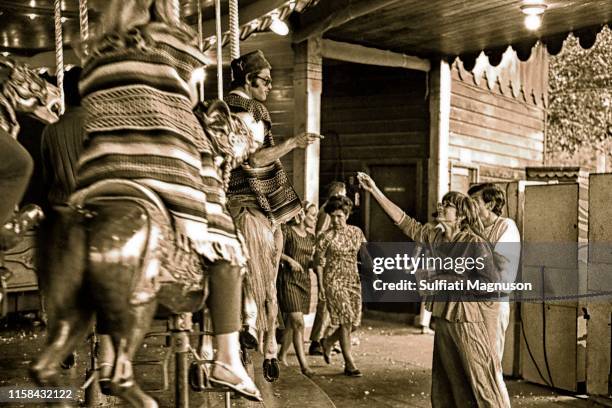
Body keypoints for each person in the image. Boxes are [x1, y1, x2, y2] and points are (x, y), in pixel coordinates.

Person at [75, 0, 260, 400]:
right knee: (225, 242)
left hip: (101, 179)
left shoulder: (96, 53)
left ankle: (108, 355)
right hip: (161, 170)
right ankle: (227, 357)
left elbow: (102, 118)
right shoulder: (170, 42)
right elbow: (181, 109)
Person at [358, 172, 510, 407]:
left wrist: (447, 279)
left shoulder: (473, 243)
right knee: (447, 380)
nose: (441, 207)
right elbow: (404, 221)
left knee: (479, 379)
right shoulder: (434, 236)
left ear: (460, 216)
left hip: (466, 319)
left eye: (447, 205)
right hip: (443, 317)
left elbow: (490, 285)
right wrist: (374, 190)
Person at [225, 49, 321, 382]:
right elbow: (256, 159)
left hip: (252, 205)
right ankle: (250, 330)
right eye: (264, 81)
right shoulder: (249, 109)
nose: (268, 86)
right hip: (247, 201)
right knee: (258, 275)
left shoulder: (226, 108)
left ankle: (259, 342)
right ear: (248, 80)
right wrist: (294, 142)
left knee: (261, 276)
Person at [468, 183, 521, 402]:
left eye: (475, 202)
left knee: (491, 364)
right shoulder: (470, 228)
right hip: (472, 301)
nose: (469, 207)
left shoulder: (506, 226)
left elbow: (501, 264)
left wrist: (477, 234)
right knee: (472, 364)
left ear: (490, 204)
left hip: (494, 303)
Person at [315, 195, 366, 377]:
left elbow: (367, 255)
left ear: (347, 215)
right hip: (333, 281)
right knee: (346, 320)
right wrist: (321, 286)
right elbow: (318, 262)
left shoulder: (356, 232)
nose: (336, 220)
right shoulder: (325, 236)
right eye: (333, 216)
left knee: (354, 323)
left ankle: (328, 341)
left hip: (353, 280)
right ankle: (349, 363)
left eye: (340, 216)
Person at [277, 202, 318, 377]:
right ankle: (304, 366)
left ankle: (281, 355)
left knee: (291, 324)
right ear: (302, 215)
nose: (315, 219)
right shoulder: (287, 231)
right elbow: (275, 251)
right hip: (288, 281)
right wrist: (290, 260)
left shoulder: (311, 237)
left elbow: (312, 261)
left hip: (304, 281)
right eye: (312, 215)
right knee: (298, 323)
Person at [309, 181, 346, 355]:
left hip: (335, 260)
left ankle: (327, 337)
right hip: (326, 260)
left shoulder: (336, 210)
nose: (343, 196)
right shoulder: (326, 211)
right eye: (341, 193)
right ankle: (316, 340)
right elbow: (320, 236)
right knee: (324, 301)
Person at [40, 67, 85, 210]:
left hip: (61, 206)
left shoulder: (51, 129)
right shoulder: (101, 124)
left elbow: (47, 176)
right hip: (92, 203)